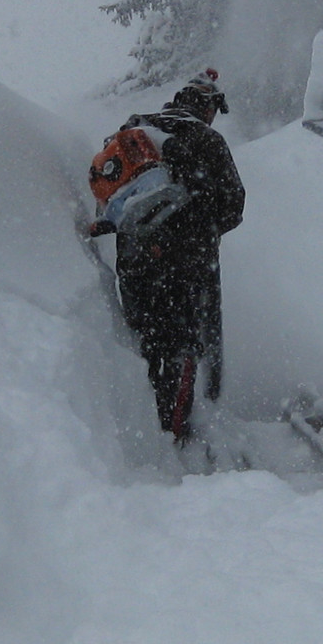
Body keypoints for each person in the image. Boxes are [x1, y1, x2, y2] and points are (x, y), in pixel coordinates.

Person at [90, 69, 245, 442]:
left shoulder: (136, 126)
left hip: (134, 253)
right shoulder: (208, 139)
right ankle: (175, 433)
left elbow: (110, 192)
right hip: (185, 261)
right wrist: (199, 227)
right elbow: (234, 206)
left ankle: (137, 422)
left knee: (142, 335)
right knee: (182, 344)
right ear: (208, 108)